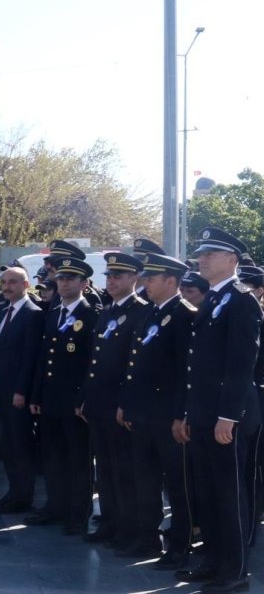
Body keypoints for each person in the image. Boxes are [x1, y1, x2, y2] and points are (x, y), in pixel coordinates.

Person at [173, 227, 262, 593]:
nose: (202, 258)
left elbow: (241, 364)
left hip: (229, 416)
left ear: (232, 260)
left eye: (211, 253)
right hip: (206, 413)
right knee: (207, 491)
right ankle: (213, 560)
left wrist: (229, 416)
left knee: (230, 493)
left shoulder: (242, 300)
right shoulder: (214, 298)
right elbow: (200, 366)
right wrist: (193, 413)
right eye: (202, 253)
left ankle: (235, 569)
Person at [118, 253, 195, 570]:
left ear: (171, 281)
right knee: (145, 480)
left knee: (177, 485)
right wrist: (128, 403)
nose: (145, 283)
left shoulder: (184, 315)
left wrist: (181, 415)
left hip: (168, 416)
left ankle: (180, 546)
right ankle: (147, 537)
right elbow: (135, 365)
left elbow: (185, 373)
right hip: (145, 414)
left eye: (151, 278)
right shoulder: (150, 313)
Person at [80, 253, 152, 550]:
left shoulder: (142, 312)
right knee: (106, 469)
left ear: (135, 279)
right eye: (109, 276)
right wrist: (86, 397)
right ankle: (109, 521)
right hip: (99, 403)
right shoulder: (108, 311)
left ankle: (129, 526)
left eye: (118, 276)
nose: (111, 281)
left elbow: (134, 367)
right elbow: (95, 361)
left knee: (125, 471)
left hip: (120, 406)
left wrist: (126, 403)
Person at [26, 256, 99, 535]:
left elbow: (92, 363)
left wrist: (83, 399)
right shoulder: (54, 313)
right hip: (50, 399)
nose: (64, 282)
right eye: (61, 278)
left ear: (83, 283)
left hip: (74, 402)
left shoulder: (90, 315)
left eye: (71, 278)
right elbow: (44, 358)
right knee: (53, 458)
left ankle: (78, 513)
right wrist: (36, 395)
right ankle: (55, 507)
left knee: (77, 459)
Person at [0, 265, 45, 514]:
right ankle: (12, 493)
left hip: (17, 392)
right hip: (0, 389)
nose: (7, 287)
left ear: (26, 284)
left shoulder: (33, 314)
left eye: (13, 282)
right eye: (4, 283)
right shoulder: (3, 311)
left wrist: (22, 390)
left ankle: (24, 496)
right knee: (8, 445)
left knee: (21, 445)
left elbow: (30, 358)